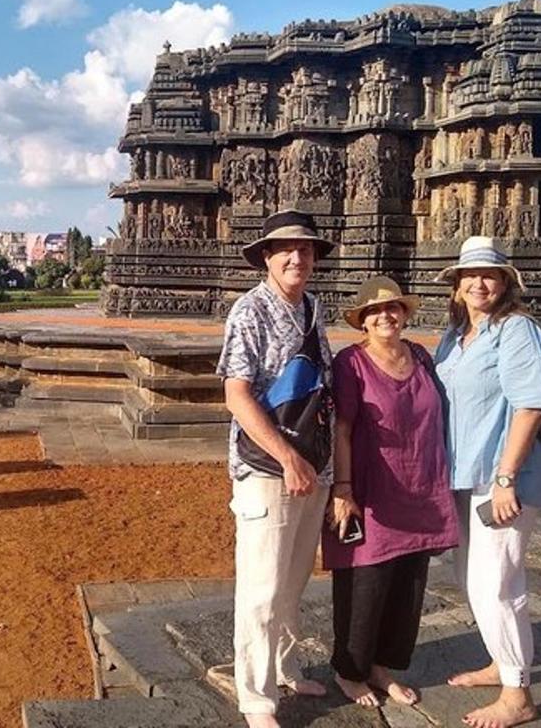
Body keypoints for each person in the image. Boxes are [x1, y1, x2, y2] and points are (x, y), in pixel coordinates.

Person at [433, 236, 541, 728]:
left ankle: (518, 696)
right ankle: (502, 662)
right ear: (457, 286)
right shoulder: (457, 336)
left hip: (504, 477)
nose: (479, 283)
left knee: (494, 585)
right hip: (468, 474)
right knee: (477, 579)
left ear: (505, 283)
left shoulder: (516, 329)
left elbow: (532, 404)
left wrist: (507, 477)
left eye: (489, 275)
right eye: (470, 275)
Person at [216, 210, 336, 728]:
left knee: (293, 581)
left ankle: (285, 667)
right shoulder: (250, 311)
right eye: (286, 249)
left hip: (313, 463)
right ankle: (257, 699)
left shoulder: (312, 307)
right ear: (266, 256)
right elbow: (236, 394)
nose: (297, 258)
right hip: (267, 465)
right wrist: (287, 457)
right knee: (262, 587)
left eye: (305, 250)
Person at [324, 276, 459, 708]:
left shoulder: (419, 355)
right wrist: (343, 490)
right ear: (363, 321)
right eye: (375, 312)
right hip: (372, 488)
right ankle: (350, 670)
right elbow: (342, 429)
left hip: (421, 485)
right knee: (367, 581)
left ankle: (381, 666)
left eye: (393, 308)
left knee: (408, 583)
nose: (386, 316)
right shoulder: (351, 363)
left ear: (404, 314)